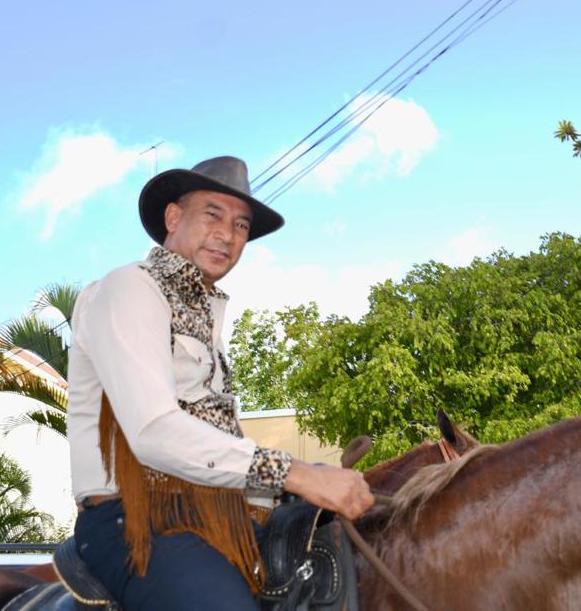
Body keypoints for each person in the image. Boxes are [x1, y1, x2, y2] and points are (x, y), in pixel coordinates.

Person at [66, 156, 374, 610]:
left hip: (219, 514)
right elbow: (154, 431)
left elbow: (213, 451)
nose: (228, 235)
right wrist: (296, 473)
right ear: (174, 217)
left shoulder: (206, 314)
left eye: (242, 226)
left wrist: (300, 486)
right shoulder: (128, 289)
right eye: (213, 214)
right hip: (134, 520)